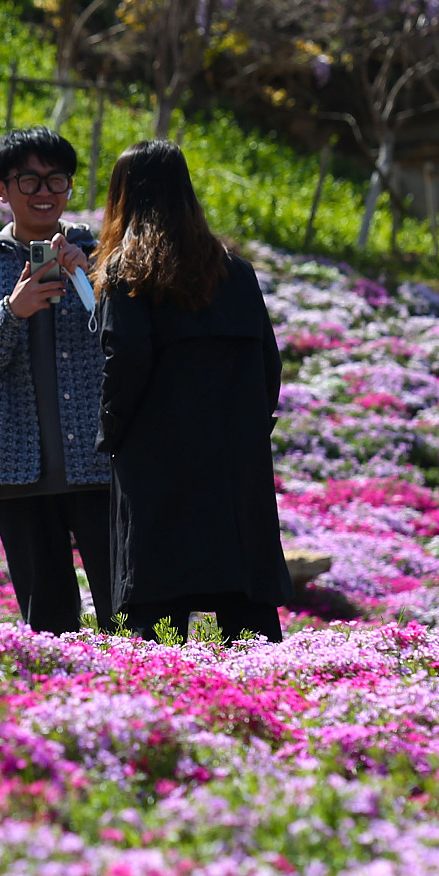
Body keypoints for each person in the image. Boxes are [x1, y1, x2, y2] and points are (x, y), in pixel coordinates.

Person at [93, 140, 292, 643]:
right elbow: (269, 364)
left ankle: (159, 716)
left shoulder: (129, 274)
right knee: (246, 614)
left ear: (124, 200)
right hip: (234, 469)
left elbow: (127, 362)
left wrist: (111, 432)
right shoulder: (237, 272)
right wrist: (246, 431)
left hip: (157, 466)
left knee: (157, 619)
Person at [0, 128, 113, 634]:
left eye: (56, 179)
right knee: (49, 625)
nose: (44, 192)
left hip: (101, 467)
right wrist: (11, 312)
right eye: (29, 180)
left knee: (130, 617)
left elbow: (133, 351)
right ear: (2, 189)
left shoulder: (102, 260)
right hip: (18, 473)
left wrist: (95, 286)